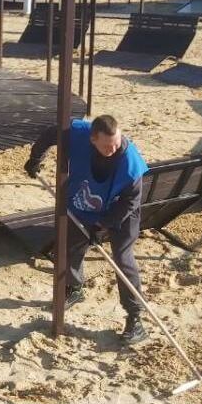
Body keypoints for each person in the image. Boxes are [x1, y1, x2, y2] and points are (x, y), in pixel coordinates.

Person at [24, 114, 150, 347]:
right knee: (70, 244)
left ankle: (135, 318)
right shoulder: (79, 133)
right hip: (85, 202)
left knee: (122, 258)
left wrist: (103, 226)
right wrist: (35, 157)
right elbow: (51, 134)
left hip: (121, 211)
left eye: (116, 143)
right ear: (93, 139)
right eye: (106, 146)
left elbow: (131, 201)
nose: (113, 150)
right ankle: (75, 287)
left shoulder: (130, 162)